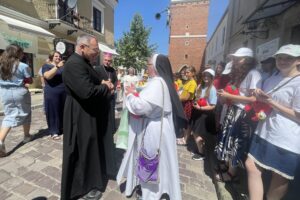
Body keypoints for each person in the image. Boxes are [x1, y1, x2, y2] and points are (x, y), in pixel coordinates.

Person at [117, 54, 185, 200]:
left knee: (150, 159)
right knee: (162, 162)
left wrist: (130, 95)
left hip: (155, 129)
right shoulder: (162, 82)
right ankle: (161, 190)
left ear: (154, 67)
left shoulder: (157, 83)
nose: (147, 67)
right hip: (163, 126)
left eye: (148, 64)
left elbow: (141, 107)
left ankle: (150, 194)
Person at [61, 34, 116, 200]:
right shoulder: (73, 64)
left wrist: (103, 83)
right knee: (81, 150)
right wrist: (105, 87)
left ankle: (91, 181)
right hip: (78, 114)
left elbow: (94, 80)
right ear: (82, 47)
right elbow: (87, 92)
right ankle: (82, 188)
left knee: (89, 147)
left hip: (87, 112)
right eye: (94, 50)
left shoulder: (84, 62)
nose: (96, 53)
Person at [246, 44, 300, 200]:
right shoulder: (272, 78)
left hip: (285, 138)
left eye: (288, 58)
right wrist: (257, 94)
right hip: (264, 130)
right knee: (251, 166)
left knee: (279, 178)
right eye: (280, 57)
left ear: (298, 60)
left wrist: (271, 102)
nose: (282, 61)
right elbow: (264, 99)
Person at [215, 47, 262, 182]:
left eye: (238, 59)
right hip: (233, 110)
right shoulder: (241, 74)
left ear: (247, 60)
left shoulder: (254, 73)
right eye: (234, 59)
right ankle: (229, 167)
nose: (234, 61)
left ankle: (232, 174)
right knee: (229, 140)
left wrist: (228, 95)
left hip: (243, 113)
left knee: (236, 142)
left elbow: (254, 99)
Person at [0, 44, 32, 157]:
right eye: (21, 53)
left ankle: (1, 140)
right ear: (17, 53)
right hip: (19, 91)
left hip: (4, 92)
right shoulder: (23, 66)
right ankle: (26, 136)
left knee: (9, 114)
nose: (23, 55)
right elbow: (29, 80)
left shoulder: (1, 65)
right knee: (26, 112)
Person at [190, 69, 217, 160]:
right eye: (204, 75)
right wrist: (195, 102)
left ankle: (201, 154)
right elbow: (196, 99)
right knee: (195, 133)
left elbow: (213, 106)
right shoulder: (200, 86)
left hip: (205, 115)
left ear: (211, 78)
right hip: (197, 113)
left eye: (208, 76)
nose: (206, 77)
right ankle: (201, 149)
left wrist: (201, 108)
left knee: (197, 135)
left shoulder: (212, 89)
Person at [42, 51, 66, 140]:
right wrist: (57, 67)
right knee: (53, 111)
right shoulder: (46, 66)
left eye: (59, 56)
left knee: (62, 110)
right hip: (52, 92)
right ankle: (54, 131)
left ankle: (61, 127)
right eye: (56, 56)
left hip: (64, 92)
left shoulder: (63, 67)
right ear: (51, 57)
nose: (58, 57)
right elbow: (47, 76)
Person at [94, 52, 118, 134]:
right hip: (102, 95)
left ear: (111, 61)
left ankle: (111, 129)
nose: (107, 62)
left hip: (110, 95)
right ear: (103, 60)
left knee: (111, 111)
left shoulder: (113, 70)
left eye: (109, 61)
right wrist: (103, 83)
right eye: (105, 60)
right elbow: (95, 80)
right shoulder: (97, 69)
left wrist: (113, 88)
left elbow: (116, 80)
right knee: (102, 112)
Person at [178, 66, 197, 145]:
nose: (186, 74)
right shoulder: (187, 81)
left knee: (187, 122)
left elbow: (187, 97)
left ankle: (185, 139)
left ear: (193, 73)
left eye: (188, 72)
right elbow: (182, 92)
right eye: (185, 72)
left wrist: (177, 99)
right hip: (183, 102)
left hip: (187, 104)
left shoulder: (193, 83)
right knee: (184, 121)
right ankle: (183, 136)